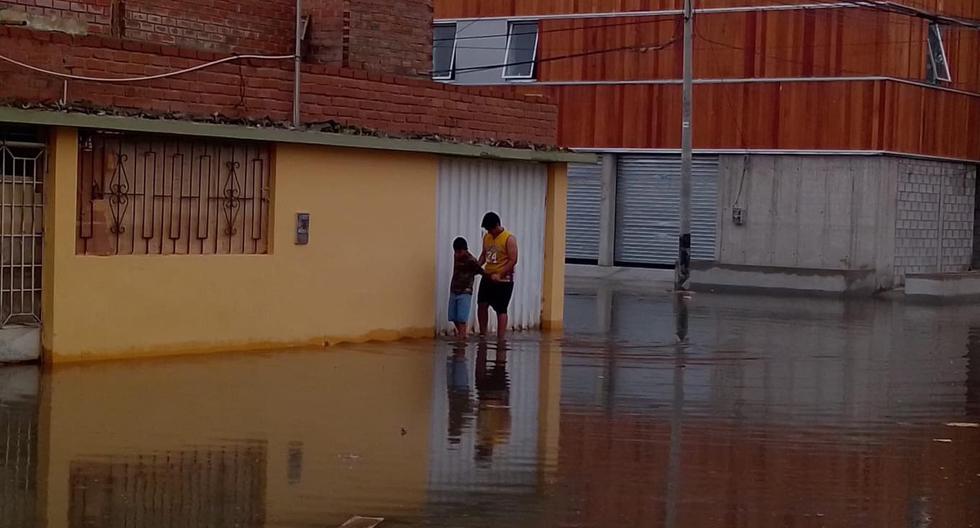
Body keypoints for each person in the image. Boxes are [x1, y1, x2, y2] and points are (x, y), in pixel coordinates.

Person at [477, 212, 518, 338]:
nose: (490, 232)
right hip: (488, 276)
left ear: (497, 225)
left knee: (501, 309)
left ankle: (501, 338)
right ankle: (483, 333)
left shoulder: (509, 238)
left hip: (504, 280)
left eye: (491, 229)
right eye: (488, 230)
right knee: (482, 304)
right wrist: (477, 266)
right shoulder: (487, 237)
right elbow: (484, 254)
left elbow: (513, 260)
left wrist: (500, 274)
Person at [449, 237, 483, 338]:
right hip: (454, 289)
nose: (457, 254)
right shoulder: (456, 256)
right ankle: (463, 334)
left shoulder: (471, 260)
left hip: (465, 292)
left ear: (465, 250)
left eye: (459, 252)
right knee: (452, 316)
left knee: (461, 318)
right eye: (455, 252)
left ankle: (462, 339)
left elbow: (481, 271)